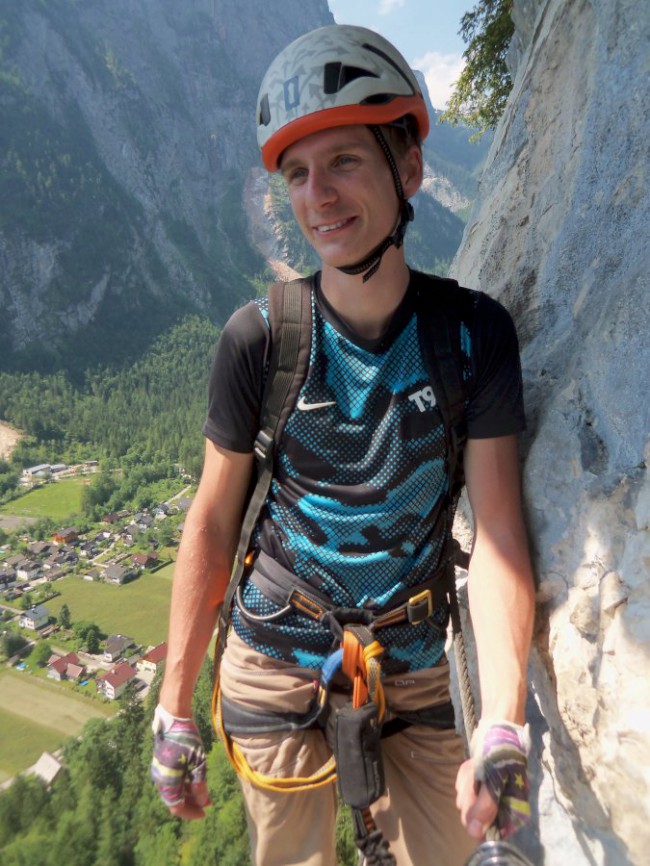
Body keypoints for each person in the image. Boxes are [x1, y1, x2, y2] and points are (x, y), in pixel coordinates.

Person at [151, 24, 536, 866]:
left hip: (412, 666)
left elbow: (501, 535)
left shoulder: (471, 336)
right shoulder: (261, 341)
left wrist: (502, 724)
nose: (317, 195)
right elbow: (211, 526)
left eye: (345, 163)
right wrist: (174, 710)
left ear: (408, 170)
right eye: (297, 174)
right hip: (275, 658)